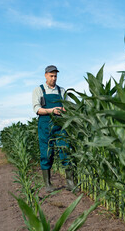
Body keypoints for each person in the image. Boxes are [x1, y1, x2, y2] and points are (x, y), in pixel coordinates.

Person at [32, 65, 78, 193]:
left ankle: (70, 182)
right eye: (51, 76)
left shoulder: (61, 91)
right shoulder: (39, 90)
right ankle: (48, 184)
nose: (54, 78)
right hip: (45, 125)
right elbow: (37, 109)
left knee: (65, 150)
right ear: (46, 75)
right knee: (46, 153)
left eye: (55, 76)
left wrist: (66, 109)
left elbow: (69, 106)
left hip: (60, 125)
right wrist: (52, 110)